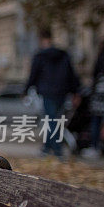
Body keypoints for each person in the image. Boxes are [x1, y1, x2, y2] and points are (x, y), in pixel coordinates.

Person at [23, 28, 80, 157]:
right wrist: (76, 92)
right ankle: (46, 148)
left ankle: (57, 150)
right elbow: (72, 75)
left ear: (41, 39)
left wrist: (26, 90)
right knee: (54, 121)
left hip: (47, 93)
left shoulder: (40, 56)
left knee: (52, 122)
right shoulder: (63, 55)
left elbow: (33, 75)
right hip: (62, 92)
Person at [87, 38, 104, 157]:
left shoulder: (101, 56)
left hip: (99, 93)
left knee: (96, 120)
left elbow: (94, 74)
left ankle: (94, 146)